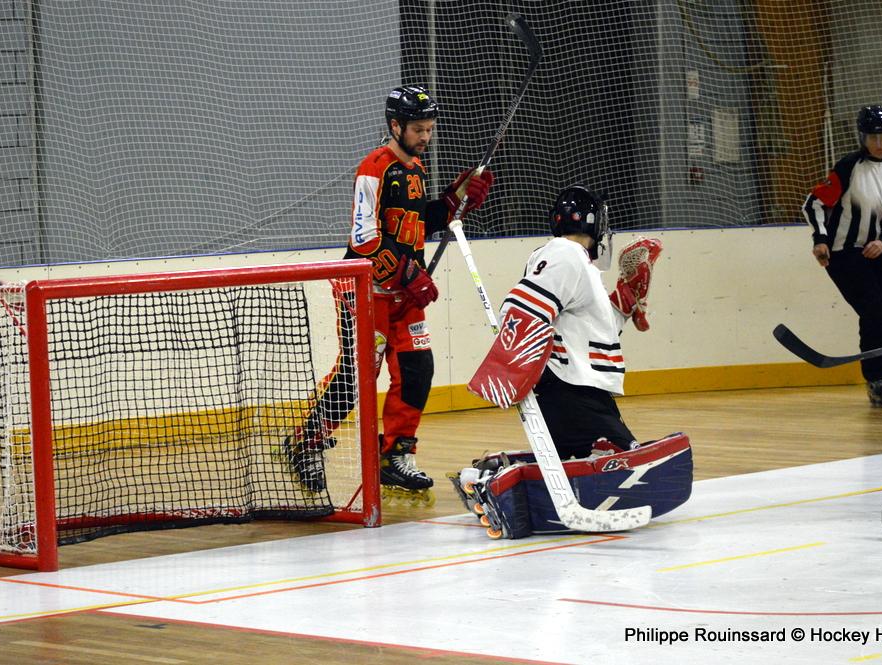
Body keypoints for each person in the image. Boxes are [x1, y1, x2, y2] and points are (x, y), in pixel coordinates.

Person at [286, 84, 493, 501]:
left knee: (418, 369)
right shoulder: (375, 167)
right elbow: (364, 238)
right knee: (357, 377)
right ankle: (305, 444)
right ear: (395, 126)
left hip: (403, 294)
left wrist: (456, 198)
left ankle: (395, 455)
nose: (425, 137)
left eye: (430, 129)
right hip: (366, 290)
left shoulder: (415, 168)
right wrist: (407, 273)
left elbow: (419, 221)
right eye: (418, 129)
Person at [455, 185, 691, 539]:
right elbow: (522, 307)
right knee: (622, 458)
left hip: (570, 387)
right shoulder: (566, 255)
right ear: (596, 224)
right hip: (573, 389)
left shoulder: (574, 262)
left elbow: (586, 328)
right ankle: (495, 489)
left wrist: (625, 299)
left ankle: (488, 480)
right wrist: (510, 366)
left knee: (572, 459)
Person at [802, 105, 882, 408]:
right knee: (875, 310)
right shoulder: (849, 167)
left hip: (876, 249)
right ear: (862, 138)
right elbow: (814, 203)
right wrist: (820, 239)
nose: (880, 143)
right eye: (873, 137)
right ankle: (876, 378)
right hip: (844, 253)